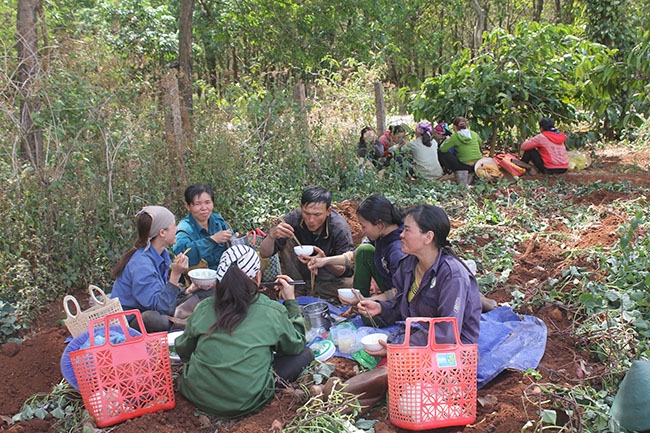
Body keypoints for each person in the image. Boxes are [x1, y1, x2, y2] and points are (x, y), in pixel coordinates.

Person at [176, 245, 313, 418]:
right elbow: (296, 345)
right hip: (246, 401)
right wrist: (291, 301)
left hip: (197, 394)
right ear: (258, 277)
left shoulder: (203, 307)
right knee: (305, 354)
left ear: (218, 278)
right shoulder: (271, 311)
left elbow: (184, 350)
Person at [359, 204, 482, 347]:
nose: (401, 235)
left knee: (387, 369)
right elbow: (405, 304)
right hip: (417, 338)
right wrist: (381, 308)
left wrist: (403, 347)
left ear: (428, 237)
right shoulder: (409, 264)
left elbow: (447, 333)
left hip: (450, 350)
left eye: (407, 230)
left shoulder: (452, 275)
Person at [307, 194, 407, 302]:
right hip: (390, 289)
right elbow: (354, 256)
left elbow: (401, 291)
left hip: (402, 302)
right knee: (363, 251)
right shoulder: (381, 235)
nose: (363, 231)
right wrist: (324, 261)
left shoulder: (397, 250)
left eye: (364, 226)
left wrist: (366, 301)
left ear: (379, 225)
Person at [259, 186, 355, 298]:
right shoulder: (293, 219)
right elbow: (264, 253)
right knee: (287, 235)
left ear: (328, 211)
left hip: (328, 280)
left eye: (317, 215)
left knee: (352, 289)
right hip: (298, 279)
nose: (311, 220)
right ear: (301, 208)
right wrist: (271, 236)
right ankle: (298, 289)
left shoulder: (339, 228)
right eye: (307, 213)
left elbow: (345, 270)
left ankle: (311, 291)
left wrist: (325, 261)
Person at [111, 205, 195, 332]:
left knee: (199, 296)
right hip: (129, 322)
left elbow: (161, 292)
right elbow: (161, 307)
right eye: (173, 226)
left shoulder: (162, 254)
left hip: (154, 307)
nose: (177, 229)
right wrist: (175, 275)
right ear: (162, 232)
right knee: (154, 320)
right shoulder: (141, 264)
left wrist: (187, 291)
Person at [174, 183, 233, 274]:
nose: (204, 208)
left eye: (207, 202)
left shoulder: (218, 222)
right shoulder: (184, 229)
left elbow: (233, 246)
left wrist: (234, 239)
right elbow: (183, 256)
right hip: (199, 280)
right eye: (197, 204)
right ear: (187, 206)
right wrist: (212, 240)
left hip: (225, 274)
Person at [438, 117, 483, 184]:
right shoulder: (474, 134)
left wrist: (447, 140)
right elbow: (480, 144)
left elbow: (443, 149)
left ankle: (449, 171)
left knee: (441, 152)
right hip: (477, 164)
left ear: (455, 127)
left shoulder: (455, 136)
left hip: (464, 166)